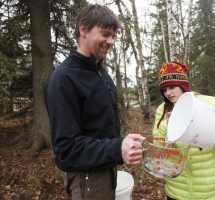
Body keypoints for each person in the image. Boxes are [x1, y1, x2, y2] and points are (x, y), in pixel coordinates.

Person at [45, 4, 144, 200]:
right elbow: (67, 149)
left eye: (114, 36)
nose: (110, 41)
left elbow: (99, 125)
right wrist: (117, 148)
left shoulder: (100, 72)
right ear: (83, 30)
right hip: (87, 179)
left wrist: (122, 143)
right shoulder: (63, 79)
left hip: (106, 169)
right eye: (105, 34)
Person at [152, 61, 215, 200]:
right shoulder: (162, 110)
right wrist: (168, 129)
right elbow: (158, 150)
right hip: (176, 191)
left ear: (183, 85)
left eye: (172, 87)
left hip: (208, 192)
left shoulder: (209, 103)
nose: (168, 93)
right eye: (164, 90)